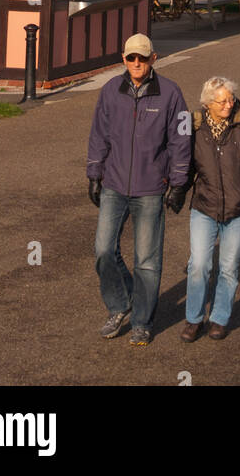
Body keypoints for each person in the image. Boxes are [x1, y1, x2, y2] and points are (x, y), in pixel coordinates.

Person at [87, 34, 191, 347]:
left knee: (147, 261)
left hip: (150, 189)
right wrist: (94, 173)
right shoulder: (110, 91)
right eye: (131, 58)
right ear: (123, 58)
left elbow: (181, 141)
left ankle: (142, 322)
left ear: (153, 59)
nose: (136, 63)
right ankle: (120, 305)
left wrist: (179, 183)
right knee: (103, 250)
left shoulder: (172, 94)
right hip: (114, 185)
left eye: (142, 58)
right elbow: (98, 135)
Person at [182, 76, 240, 341]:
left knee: (229, 267)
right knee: (199, 265)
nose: (228, 104)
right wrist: (175, 190)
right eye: (222, 100)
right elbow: (184, 167)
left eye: (230, 99)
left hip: (238, 210)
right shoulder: (195, 130)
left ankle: (219, 318)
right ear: (208, 104)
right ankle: (193, 319)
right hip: (204, 207)